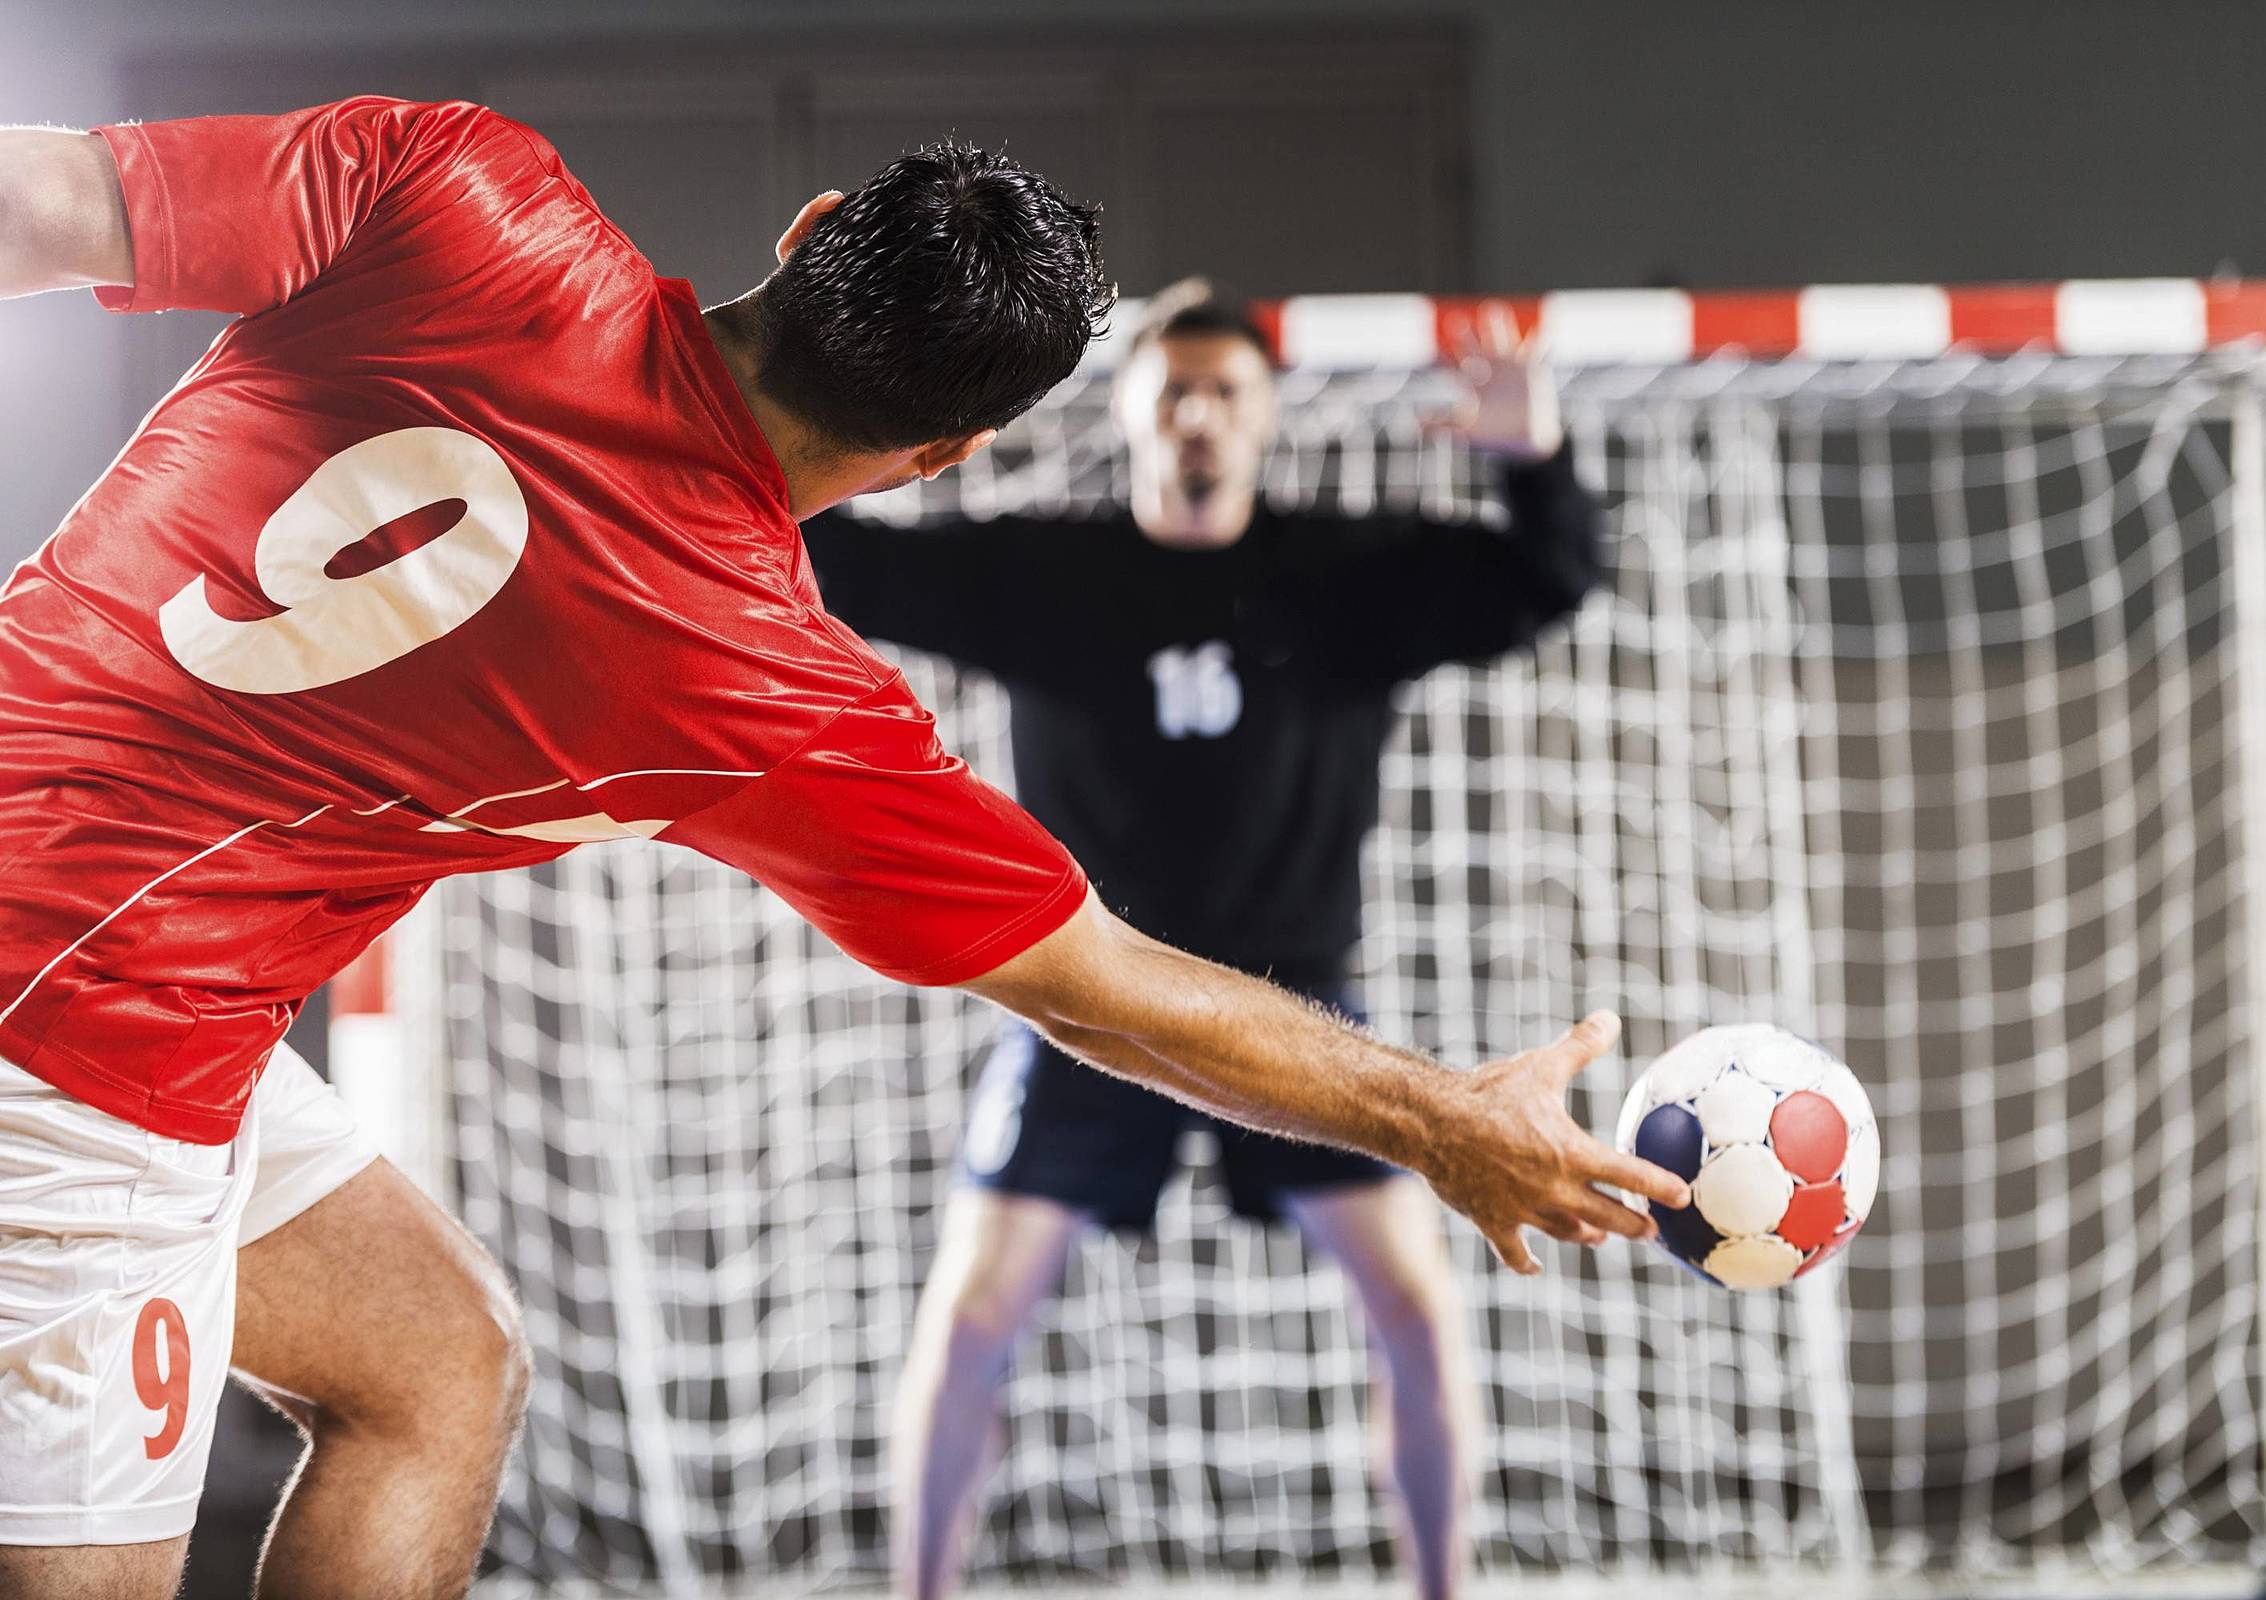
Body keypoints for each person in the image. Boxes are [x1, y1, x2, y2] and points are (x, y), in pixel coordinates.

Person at [0, 98, 1687, 1600]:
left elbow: (45, 200)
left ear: (803, 229)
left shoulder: (453, 181)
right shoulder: (755, 681)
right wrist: (1445, 1120)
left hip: (146, 1009)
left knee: (439, 1365)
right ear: (950, 454)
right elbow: (1097, 987)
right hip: (80, 1053)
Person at [805, 281, 1607, 1600]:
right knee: (966, 1322)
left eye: (1223, 393)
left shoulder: (1345, 581)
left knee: (1415, 1312)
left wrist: (1535, 460)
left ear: (1262, 417)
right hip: (1088, 1005)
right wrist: (811, 418)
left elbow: (1546, 580)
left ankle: (1443, 1589)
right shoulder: (1045, 575)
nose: (1195, 416)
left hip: (1299, 1019)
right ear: (1127, 407)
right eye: (1170, 389)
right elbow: (845, 563)